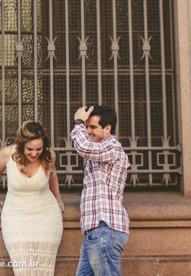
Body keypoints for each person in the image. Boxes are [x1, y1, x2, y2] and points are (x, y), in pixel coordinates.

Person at [0, 121, 64, 275]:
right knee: (22, 269)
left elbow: (52, 174)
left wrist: (58, 198)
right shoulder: (7, 154)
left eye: (39, 149)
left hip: (46, 216)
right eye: (30, 149)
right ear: (21, 145)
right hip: (16, 216)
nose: (34, 153)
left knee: (44, 269)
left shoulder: (49, 155)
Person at [71, 105, 130, 276]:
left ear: (107, 128)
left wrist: (78, 122)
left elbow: (83, 148)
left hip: (105, 230)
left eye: (93, 127)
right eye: (87, 126)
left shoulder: (112, 148)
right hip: (95, 232)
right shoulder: (100, 149)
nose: (88, 131)